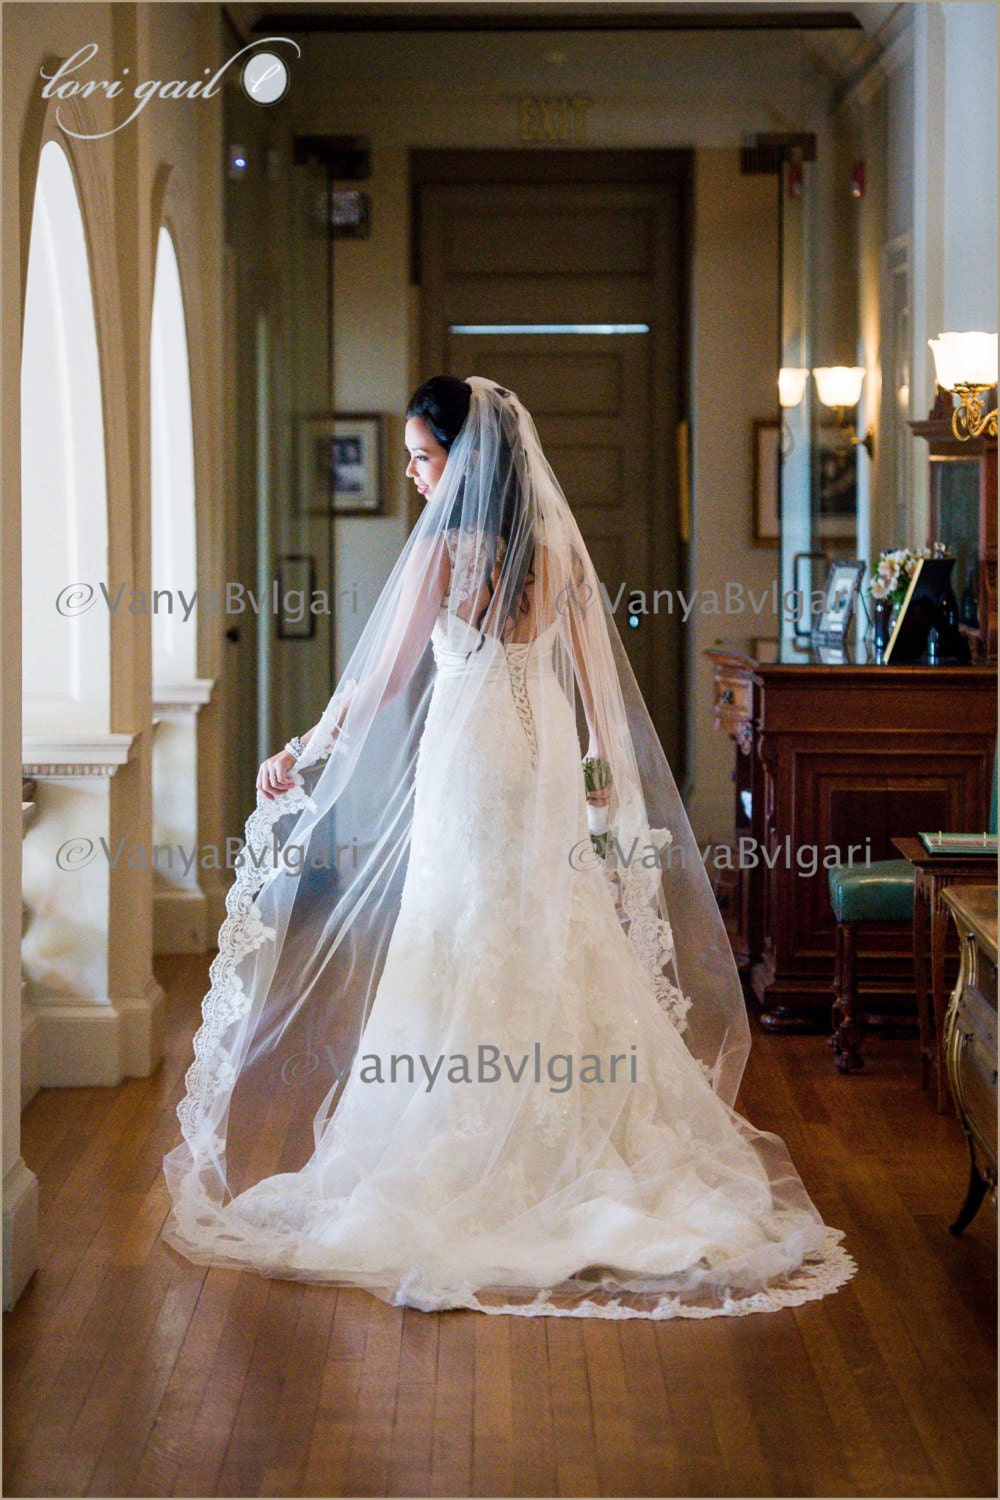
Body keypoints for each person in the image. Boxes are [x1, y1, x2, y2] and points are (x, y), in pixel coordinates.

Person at [161, 375, 855, 1319]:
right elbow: (596, 682)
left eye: (423, 457)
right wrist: (603, 771)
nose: (413, 475)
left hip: (472, 763)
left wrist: (302, 749)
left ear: (465, 457)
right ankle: (577, 1133)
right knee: (550, 919)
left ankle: (467, 1129)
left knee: (460, 924)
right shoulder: (555, 550)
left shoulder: (442, 550)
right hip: (544, 758)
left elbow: (382, 681)